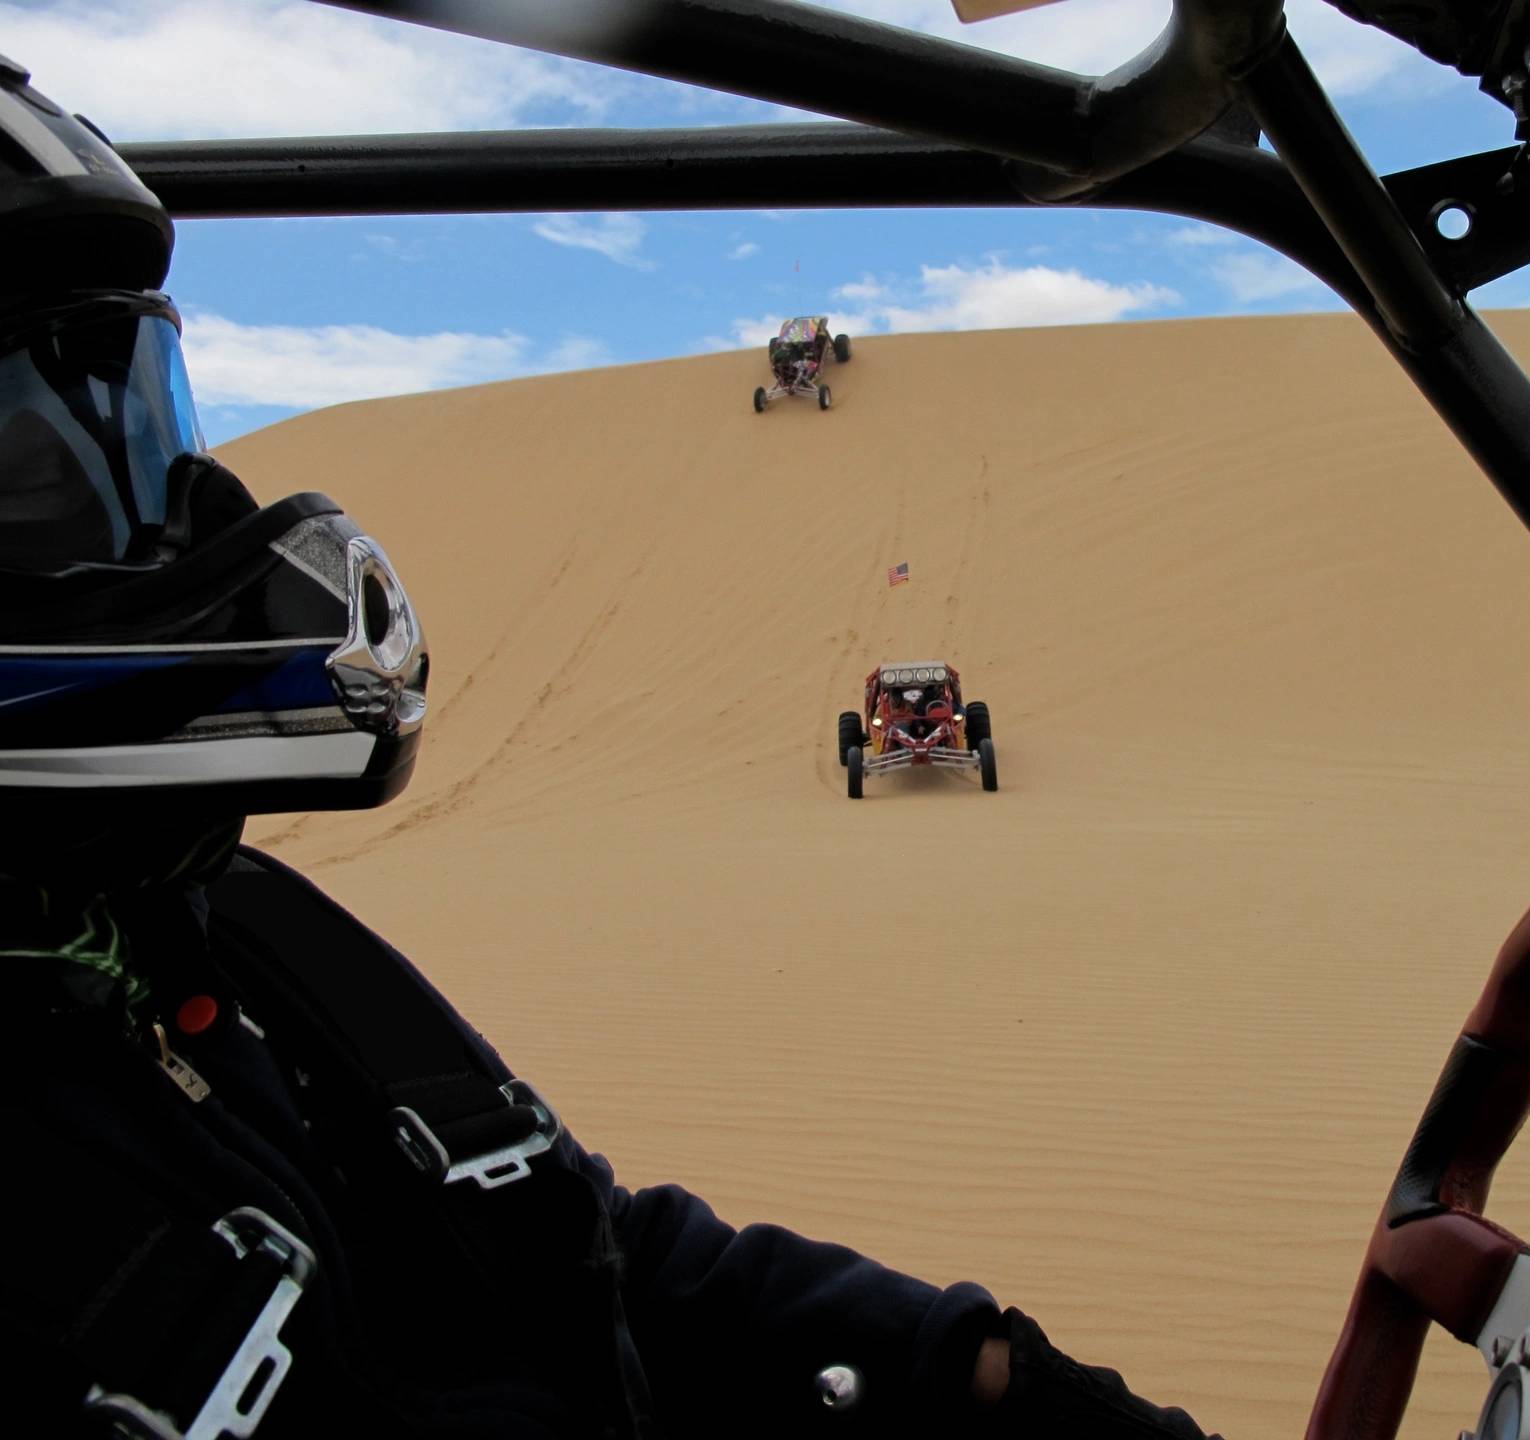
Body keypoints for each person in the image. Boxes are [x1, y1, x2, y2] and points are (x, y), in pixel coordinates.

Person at [0, 57, 1225, 1440]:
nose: (191, 520)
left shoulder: (210, 931)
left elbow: (582, 1249)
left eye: (145, 427)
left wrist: (981, 1376)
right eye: (40, 473)